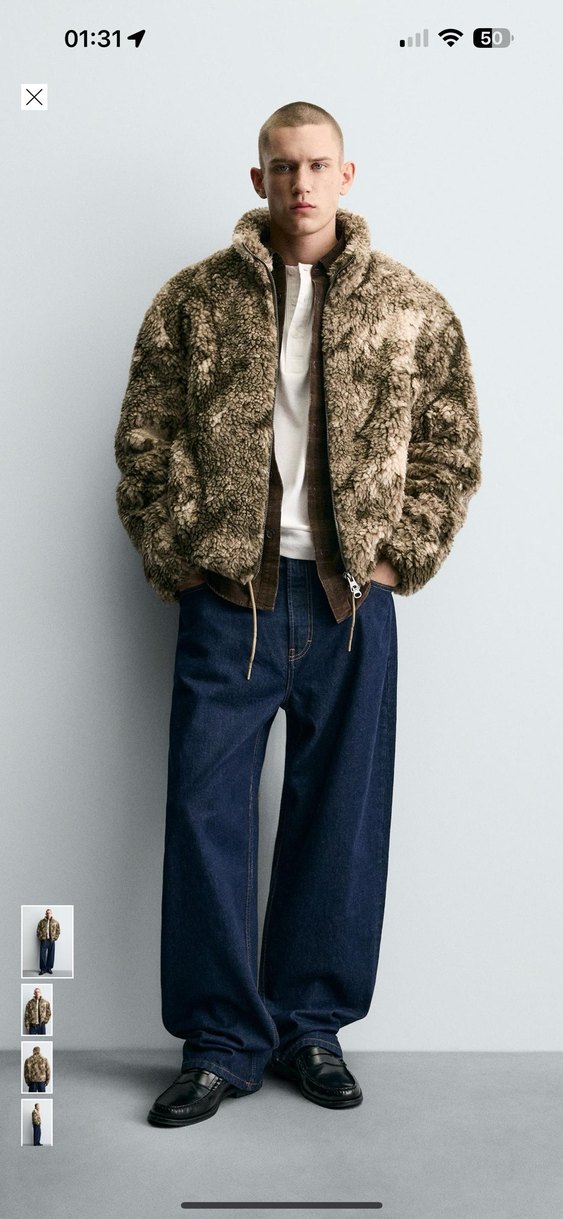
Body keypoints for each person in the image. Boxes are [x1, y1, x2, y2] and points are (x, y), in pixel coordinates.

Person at [115, 101, 482, 1129]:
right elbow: (142, 435)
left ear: (345, 174)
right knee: (206, 821)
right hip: (227, 600)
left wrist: (395, 557)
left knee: (339, 822)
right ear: (258, 179)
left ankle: (309, 1028)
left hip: (346, 605)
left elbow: (450, 444)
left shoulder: (408, 305)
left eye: (316, 165)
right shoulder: (194, 300)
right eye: (282, 168)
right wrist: (180, 553)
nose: (300, 183)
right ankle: (218, 1043)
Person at [36, 908, 60, 975]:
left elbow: (58, 931)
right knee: (42, 955)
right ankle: (43, 969)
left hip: (51, 940)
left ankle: (49, 968)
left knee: (51, 955)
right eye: (47, 913)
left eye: (49, 913)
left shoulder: (55, 922)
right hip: (44, 940)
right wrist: (41, 938)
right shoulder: (41, 922)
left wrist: (55, 938)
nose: (48, 914)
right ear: (45, 914)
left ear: (51, 914)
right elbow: (38, 930)